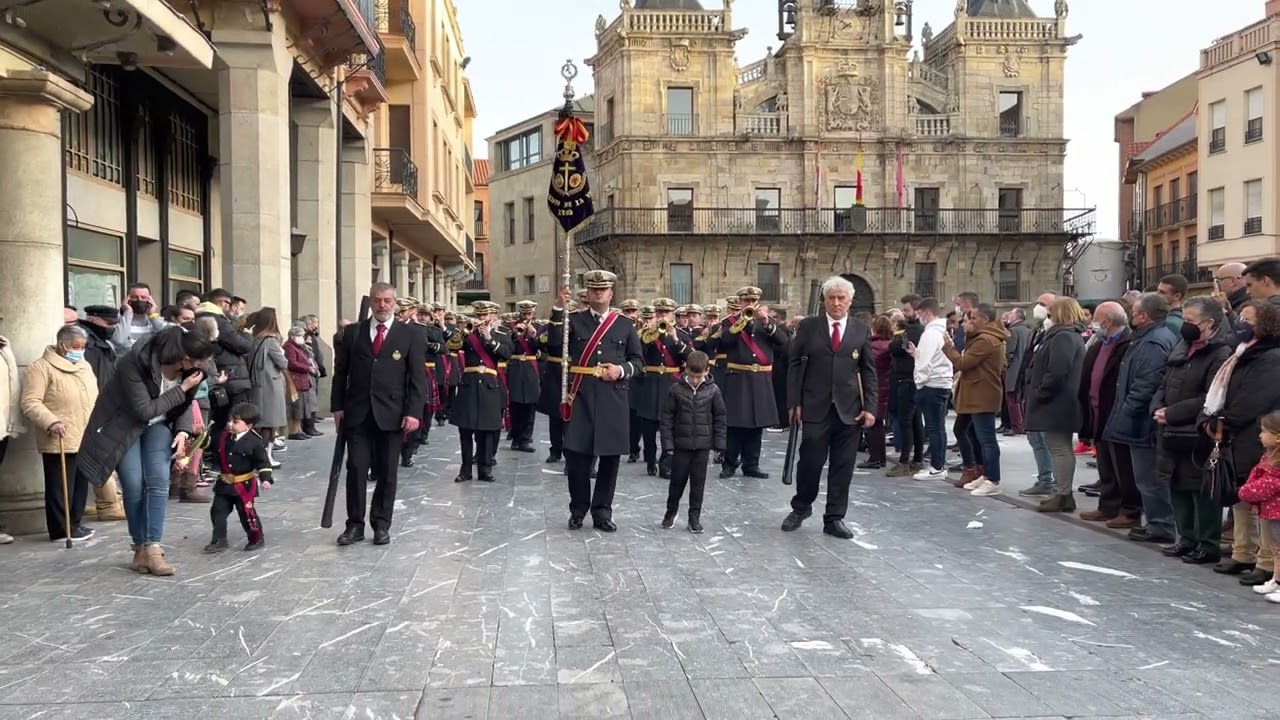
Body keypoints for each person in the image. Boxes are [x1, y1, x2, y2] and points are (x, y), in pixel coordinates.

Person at [76, 327, 211, 575]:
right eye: (199, 362)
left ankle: (153, 547)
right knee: (134, 484)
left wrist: (182, 431)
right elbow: (144, 410)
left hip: (160, 426)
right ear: (184, 359)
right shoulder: (134, 363)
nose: (202, 367)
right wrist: (180, 389)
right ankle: (139, 547)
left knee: (158, 481)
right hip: (124, 426)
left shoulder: (192, 372)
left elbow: (185, 405)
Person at [330, 282, 428, 547]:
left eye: (387, 300)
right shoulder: (353, 333)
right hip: (358, 413)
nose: (382, 305)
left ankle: (382, 524)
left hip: (393, 414)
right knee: (356, 469)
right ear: (371, 302)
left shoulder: (411, 335)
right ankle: (355, 525)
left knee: (387, 471)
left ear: (395, 302)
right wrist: (337, 407)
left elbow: (417, 378)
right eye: (377, 300)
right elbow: (341, 374)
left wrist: (413, 412)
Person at [545, 272, 642, 531]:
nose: (599, 293)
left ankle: (602, 512)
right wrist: (557, 309)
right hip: (581, 396)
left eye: (604, 290)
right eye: (594, 289)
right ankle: (578, 509)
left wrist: (620, 371)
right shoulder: (573, 320)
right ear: (587, 294)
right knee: (577, 458)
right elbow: (554, 345)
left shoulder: (624, 324)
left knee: (610, 460)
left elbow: (638, 361)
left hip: (613, 397)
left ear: (611, 294)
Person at [783, 276, 877, 539]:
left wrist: (870, 407)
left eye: (841, 298)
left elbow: (868, 371)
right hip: (814, 406)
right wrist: (794, 402)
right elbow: (794, 367)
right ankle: (801, 507)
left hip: (849, 410)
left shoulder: (860, 330)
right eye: (831, 298)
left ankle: (834, 518)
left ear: (849, 301)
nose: (836, 303)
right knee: (810, 462)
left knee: (843, 466)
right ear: (824, 300)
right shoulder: (809, 328)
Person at [1203, 301, 1280, 586]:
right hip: (1238, 434)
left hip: (1257, 433)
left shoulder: (1271, 356)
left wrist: (1224, 420)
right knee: (1240, 496)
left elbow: (1255, 398)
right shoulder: (1242, 353)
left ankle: (1266, 561)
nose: (1240, 323)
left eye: (1248, 319)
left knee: (1260, 501)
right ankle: (1242, 553)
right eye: (1241, 317)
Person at [1152, 296, 1232, 564]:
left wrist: (1172, 413)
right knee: (1177, 485)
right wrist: (1158, 405)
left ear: (1208, 323)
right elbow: (1165, 381)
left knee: (1201, 489)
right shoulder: (1182, 346)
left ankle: (1206, 543)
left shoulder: (1220, 352)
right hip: (1171, 429)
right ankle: (1185, 538)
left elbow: (1210, 395)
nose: (1185, 326)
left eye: (1190, 321)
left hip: (1197, 431)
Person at [20, 324, 106, 541]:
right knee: (60, 486)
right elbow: (31, 401)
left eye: (83, 346)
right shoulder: (40, 368)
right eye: (75, 346)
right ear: (62, 346)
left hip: (85, 434)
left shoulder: (84, 366)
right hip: (59, 434)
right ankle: (61, 529)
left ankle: (75, 523)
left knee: (79, 485)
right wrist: (51, 421)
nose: (80, 350)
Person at [1103, 293, 1177, 544]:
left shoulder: (1153, 342)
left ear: (1144, 316)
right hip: (1138, 418)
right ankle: (1156, 522)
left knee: (1148, 477)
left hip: (1143, 422)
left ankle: (1161, 525)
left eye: (1133, 313)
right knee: (1144, 476)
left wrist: (1127, 412)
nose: (1131, 317)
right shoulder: (1146, 338)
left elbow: (1146, 383)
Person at [1025, 297, 1087, 512]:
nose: (1047, 315)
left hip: (1058, 402)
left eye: (1051, 312)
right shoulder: (1066, 335)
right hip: (1059, 400)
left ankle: (1063, 494)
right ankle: (1062, 492)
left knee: (1059, 448)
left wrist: (1041, 393)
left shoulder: (1064, 337)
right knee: (1058, 447)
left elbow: (1058, 371)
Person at [718, 287, 787, 479]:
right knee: (734, 424)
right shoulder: (729, 322)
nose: (749, 304)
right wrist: (741, 322)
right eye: (745, 300)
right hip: (738, 377)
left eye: (752, 300)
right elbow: (725, 342)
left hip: (760, 380)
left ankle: (751, 464)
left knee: (757, 424)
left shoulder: (767, 322)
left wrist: (766, 323)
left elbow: (784, 342)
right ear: (739, 302)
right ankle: (729, 464)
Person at [942, 303, 1009, 497]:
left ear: (985, 320)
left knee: (986, 438)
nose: (968, 322)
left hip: (982, 394)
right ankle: (981, 471)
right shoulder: (982, 338)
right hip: (974, 393)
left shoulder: (987, 340)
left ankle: (993, 478)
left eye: (973, 318)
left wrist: (948, 347)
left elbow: (963, 362)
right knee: (965, 430)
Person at [659, 350, 725, 533]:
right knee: (676, 483)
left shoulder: (713, 390)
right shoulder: (676, 390)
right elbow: (667, 419)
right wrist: (668, 445)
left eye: (699, 376)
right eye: (691, 376)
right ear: (685, 369)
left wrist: (719, 445)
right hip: (681, 445)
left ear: (707, 371)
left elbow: (720, 417)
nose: (695, 380)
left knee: (698, 485)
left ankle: (694, 517)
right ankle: (670, 513)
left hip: (702, 447)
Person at [451, 301, 513, 483]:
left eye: (484, 316)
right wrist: (463, 331)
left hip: (490, 385)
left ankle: (485, 469)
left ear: (493, 316)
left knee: (486, 431)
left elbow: (507, 354)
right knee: (465, 430)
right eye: (478, 315)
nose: (481, 319)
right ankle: (465, 469)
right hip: (469, 385)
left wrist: (489, 339)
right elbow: (450, 346)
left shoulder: (502, 335)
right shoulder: (468, 334)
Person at [205, 402, 273, 553]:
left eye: (235, 422)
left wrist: (266, 478)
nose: (230, 424)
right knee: (217, 511)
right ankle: (219, 539)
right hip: (224, 484)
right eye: (230, 420)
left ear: (248, 426)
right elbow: (210, 447)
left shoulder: (255, 441)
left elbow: (263, 462)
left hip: (244, 485)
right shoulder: (224, 437)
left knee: (247, 514)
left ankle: (256, 537)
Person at [638, 297, 691, 477]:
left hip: (671, 384)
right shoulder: (646, 334)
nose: (662, 316)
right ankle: (650, 460)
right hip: (651, 384)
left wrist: (675, 339)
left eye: (666, 313)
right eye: (659, 313)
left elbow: (690, 358)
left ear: (672, 315)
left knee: (670, 426)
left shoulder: (682, 335)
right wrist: (646, 336)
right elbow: (638, 354)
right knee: (648, 426)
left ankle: (666, 462)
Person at [906, 297, 953, 481]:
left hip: (931, 385)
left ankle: (937, 466)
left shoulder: (930, 334)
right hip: (941, 383)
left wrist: (919, 382)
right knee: (938, 427)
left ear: (925, 312)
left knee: (934, 428)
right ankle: (938, 465)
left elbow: (925, 364)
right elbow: (934, 357)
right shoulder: (943, 331)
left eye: (919, 313)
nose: (919, 318)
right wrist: (916, 353)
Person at [1238, 410, 1280, 602]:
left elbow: (1269, 484)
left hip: (1277, 513)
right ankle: (1277, 580)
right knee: (1276, 549)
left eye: (1264, 431)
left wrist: (1246, 492)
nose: (1260, 435)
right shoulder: (1268, 456)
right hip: (1271, 512)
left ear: (1277, 437)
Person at [247, 309, 289, 465]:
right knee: (269, 422)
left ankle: (265, 456)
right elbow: (283, 362)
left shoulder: (255, 339)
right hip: (270, 385)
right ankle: (266, 458)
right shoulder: (270, 340)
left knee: (263, 422)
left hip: (258, 384)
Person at [858, 315, 893, 470]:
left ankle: (876, 458)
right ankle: (879, 458)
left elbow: (869, 364)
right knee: (877, 423)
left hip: (876, 387)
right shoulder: (888, 344)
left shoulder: (876, 346)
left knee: (874, 424)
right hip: (883, 385)